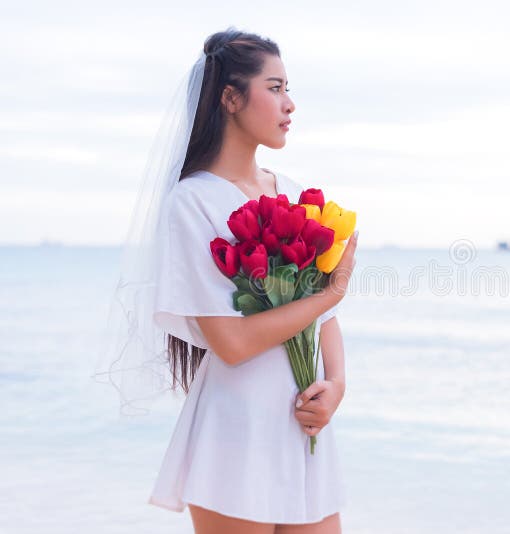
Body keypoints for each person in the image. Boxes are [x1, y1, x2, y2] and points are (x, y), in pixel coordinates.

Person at [97, 27, 357, 534]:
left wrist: (337, 385)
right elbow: (232, 343)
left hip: (304, 422)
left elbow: (324, 318)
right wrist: (333, 289)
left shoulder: (299, 195)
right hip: (237, 429)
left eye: (288, 89)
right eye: (276, 88)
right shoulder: (192, 203)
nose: (290, 104)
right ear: (231, 98)